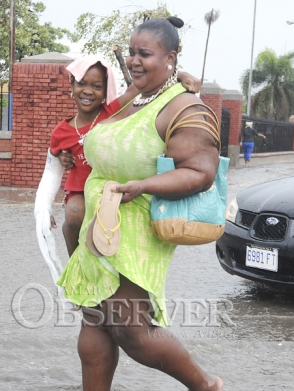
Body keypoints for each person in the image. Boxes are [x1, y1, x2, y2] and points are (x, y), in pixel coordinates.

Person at [57, 17, 223, 391]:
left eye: (144, 53)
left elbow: (201, 172)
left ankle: (206, 386)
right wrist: (72, 155)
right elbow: (92, 131)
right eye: (131, 52)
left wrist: (142, 186)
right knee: (94, 318)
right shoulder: (136, 96)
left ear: (170, 57)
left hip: (137, 224)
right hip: (102, 222)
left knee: (132, 329)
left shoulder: (184, 105)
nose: (133, 60)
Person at [48, 55, 201, 256]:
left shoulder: (111, 112)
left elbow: (138, 87)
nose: (87, 91)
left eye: (96, 86)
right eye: (81, 84)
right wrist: (60, 162)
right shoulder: (61, 130)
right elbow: (51, 166)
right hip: (80, 188)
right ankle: (75, 258)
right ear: (72, 85)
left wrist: (177, 73)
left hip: (112, 184)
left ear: (105, 91)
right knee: (75, 215)